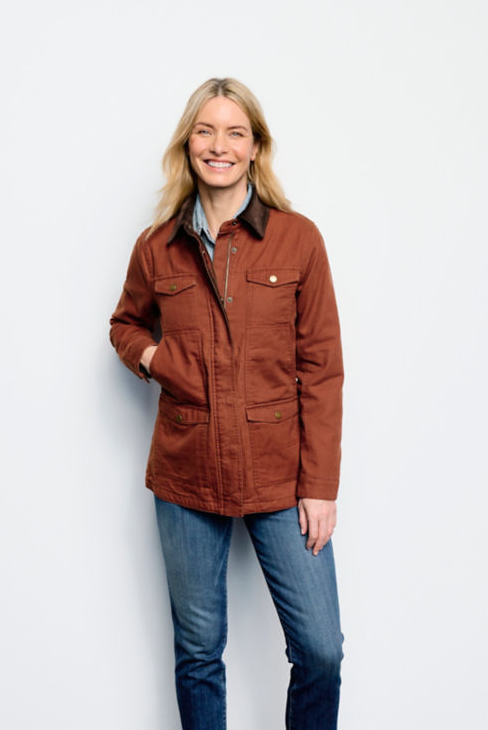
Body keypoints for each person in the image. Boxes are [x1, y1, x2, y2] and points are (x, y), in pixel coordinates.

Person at [109, 77, 345, 730]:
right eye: (206, 131)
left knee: (321, 651)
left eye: (235, 132)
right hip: (186, 472)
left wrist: (320, 486)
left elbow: (323, 369)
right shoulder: (156, 245)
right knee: (198, 653)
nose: (220, 145)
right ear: (188, 145)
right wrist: (154, 358)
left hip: (281, 472)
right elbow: (126, 324)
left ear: (255, 147)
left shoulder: (298, 240)